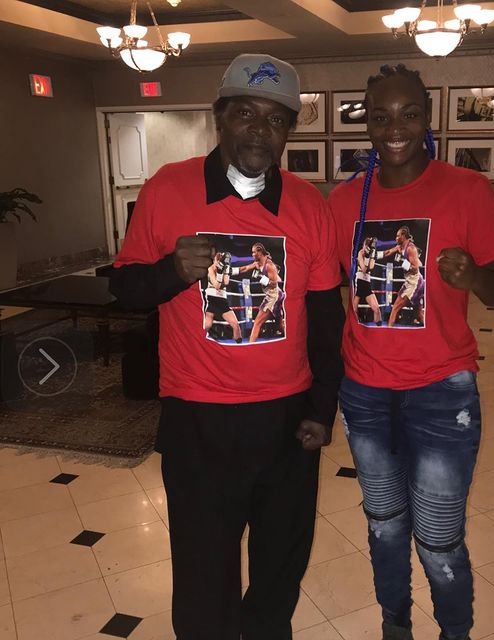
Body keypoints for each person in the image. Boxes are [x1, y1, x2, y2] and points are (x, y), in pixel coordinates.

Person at [109, 53, 345, 640]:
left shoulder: (309, 205)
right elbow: (126, 289)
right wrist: (170, 270)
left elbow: (324, 319)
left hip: (285, 418)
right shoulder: (168, 189)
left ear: (289, 130)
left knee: (281, 559)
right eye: (246, 113)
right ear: (220, 117)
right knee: (202, 564)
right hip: (198, 419)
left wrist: (322, 407)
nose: (260, 131)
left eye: (276, 119)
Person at [329, 64, 494, 640]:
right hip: (364, 391)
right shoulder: (342, 201)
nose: (395, 128)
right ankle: (395, 628)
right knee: (384, 526)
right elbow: (327, 289)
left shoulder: (466, 190)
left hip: (441, 392)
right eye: (381, 116)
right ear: (367, 124)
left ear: (427, 118)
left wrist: (476, 277)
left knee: (438, 539)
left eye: (408, 114)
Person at [232, 242, 285, 341]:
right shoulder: (258, 264)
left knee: (257, 323)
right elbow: (245, 268)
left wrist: (262, 278)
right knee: (280, 326)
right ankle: (291, 337)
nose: (252, 255)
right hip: (272, 295)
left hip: (274, 296)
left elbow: (275, 283)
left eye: (254, 252)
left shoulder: (269, 266)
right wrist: (231, 271)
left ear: (260, 252)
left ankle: (250, 348)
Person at [379, 225, 424, 327]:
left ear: (403, 236)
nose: (396, 238)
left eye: (398, 236)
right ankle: (431, 330)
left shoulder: (411, 249)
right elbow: (388, 252)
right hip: (409, 282)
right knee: (419, 314)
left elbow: (416, 268)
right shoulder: (400, 247)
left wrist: (403, 261)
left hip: (415, 282)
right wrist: (374, 255)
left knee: (395, 308)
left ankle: (388, 334)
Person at [204, 250, 243, 343]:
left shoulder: (226, 269)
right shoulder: (211, 269)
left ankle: (239, 345)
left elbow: (226, 282)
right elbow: (217, 286)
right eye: (217, 261)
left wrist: (254, 265)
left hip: (222, 301)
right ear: (215, 261)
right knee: (206, 326)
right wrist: (220, 272)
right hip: (211, 300)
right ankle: (195, 341)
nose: (218, 263)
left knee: (235, 324)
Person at [354, 236, 382, 325]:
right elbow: (364, 269)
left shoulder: (372, 253)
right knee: (354, 310)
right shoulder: (360, 253)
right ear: (365, 245)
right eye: (368, 245)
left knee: (376, 309)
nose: (368, 247)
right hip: (359, 282)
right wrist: (366, 257)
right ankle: (354, 329)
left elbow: (371, 267)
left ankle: (379, 330)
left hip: (367, 283)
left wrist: (372, 255)